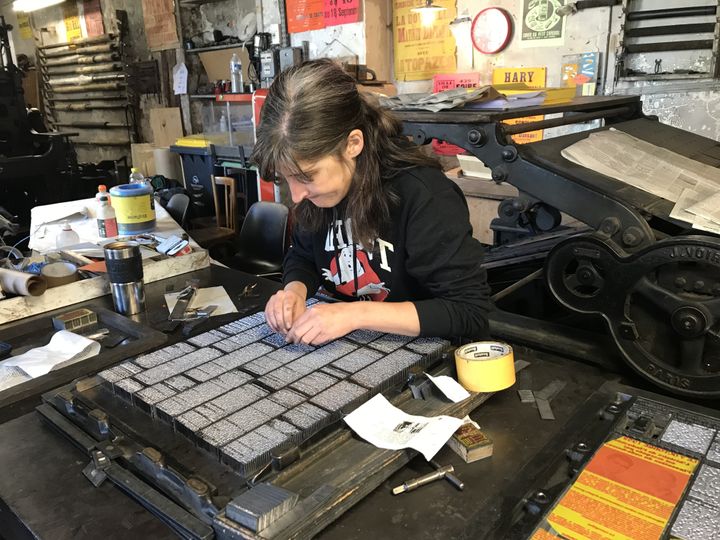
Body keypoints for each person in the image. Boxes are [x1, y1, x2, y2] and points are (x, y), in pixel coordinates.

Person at [253, 59, 491, 345]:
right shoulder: (319, 194)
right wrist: (294, 290)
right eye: (284, 178)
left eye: (308, 176)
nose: (295, 196)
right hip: (351, 346)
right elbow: (304, 256)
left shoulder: (424, 196)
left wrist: (354, 315)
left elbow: (468, 311)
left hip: (424, 353)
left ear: (353, 144)